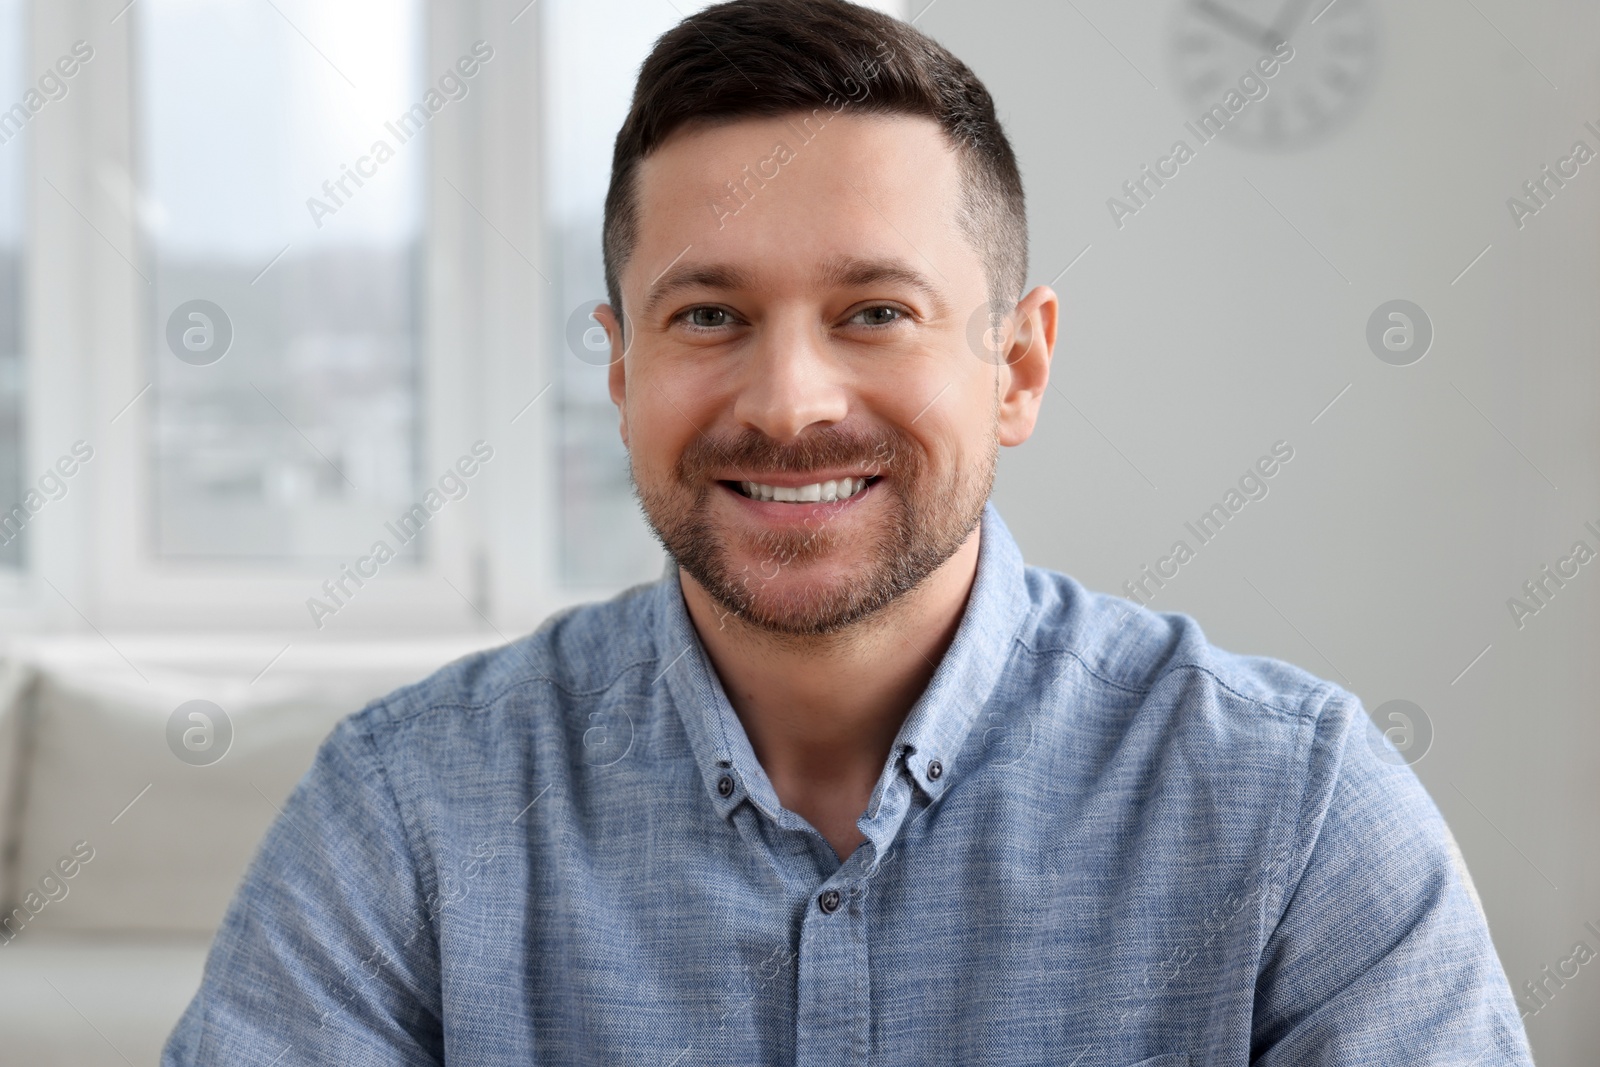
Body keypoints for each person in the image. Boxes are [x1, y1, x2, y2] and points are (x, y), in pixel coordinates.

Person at [163, 1, 1535, 1062]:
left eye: (875, 310)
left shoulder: (1296, 815)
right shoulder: (407, 815)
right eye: (709, 315)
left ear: (1018, 369)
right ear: (623, 370)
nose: (789, 403)